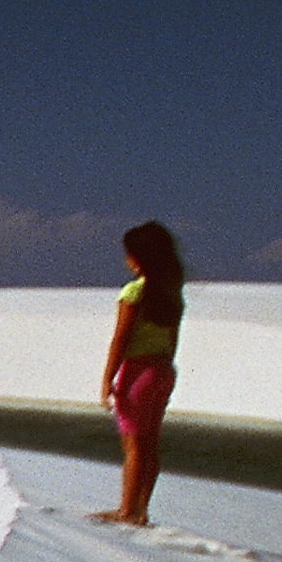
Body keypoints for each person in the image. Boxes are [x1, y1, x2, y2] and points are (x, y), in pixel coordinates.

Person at [97, 220, 184, 526]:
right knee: (150, 443)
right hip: (163, 370)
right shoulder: (172, 294)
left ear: (140, 257)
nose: (126, 259)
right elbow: (173, 339)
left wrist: (108, 378)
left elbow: (120, 338)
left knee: (132, 445)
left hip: (138, 371)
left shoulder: (134, 292)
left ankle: (126, 511)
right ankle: (141, 510)